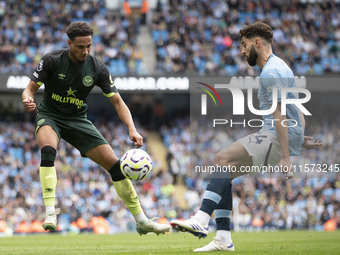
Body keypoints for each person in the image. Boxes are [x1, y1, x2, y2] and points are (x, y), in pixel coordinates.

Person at [170, 21, 322, 252]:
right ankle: (223, 239)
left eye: (244, 45)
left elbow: (280, 115)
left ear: (257, 43)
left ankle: (200, 220)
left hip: (274, 136)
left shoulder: (271, 72)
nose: (241, 51)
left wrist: (287, 157)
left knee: (222, 159)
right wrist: (298, 137)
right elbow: (296, 108)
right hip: (282, 136)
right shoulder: (281, 66)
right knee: (225, 172)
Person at [22, 21, 170, 235]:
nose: (85, 51)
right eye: (80, 46)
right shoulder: (52, 60)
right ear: (69, 43)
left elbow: (118, 102)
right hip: (50, 116)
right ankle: (50, 211)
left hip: (78, 119)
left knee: (116, 166)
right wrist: (27, 99)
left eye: (89, 46)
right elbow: (29, 90)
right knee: (48, 150)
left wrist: (132, 128)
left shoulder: (97, 68)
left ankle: (142, 221)